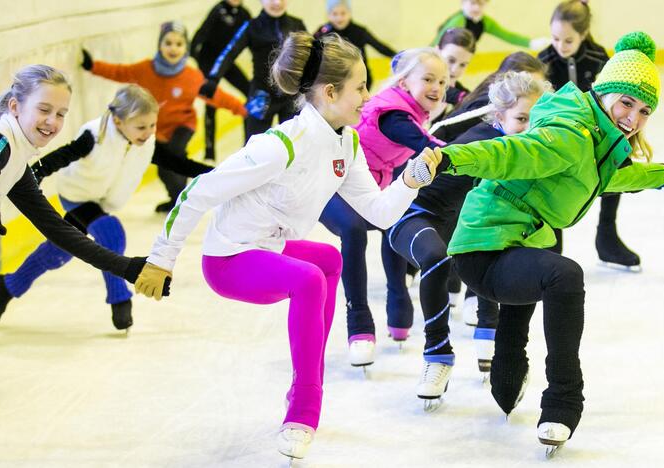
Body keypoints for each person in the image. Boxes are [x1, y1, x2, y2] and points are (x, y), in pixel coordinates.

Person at [133, 32, 440, 460]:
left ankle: (305, 379)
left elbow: (380, 213)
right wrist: (160, 260)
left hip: (272, 250)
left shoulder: (346, 143)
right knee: (310, 278)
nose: (368, 98)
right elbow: (198, 192)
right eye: (360, 87)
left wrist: (411, 180)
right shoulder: (278, 147)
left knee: (328, 259)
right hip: (230, 260)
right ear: (330, 92)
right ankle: (303, 408)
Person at [432, 32, 664, 451]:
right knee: (563, 274)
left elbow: (610, 178)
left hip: (517, 240)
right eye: (626, 103)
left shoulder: (597, 144)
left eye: (643, 110)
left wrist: (660, 175)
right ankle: (564, 399)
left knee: (545, 257)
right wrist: (450, 159)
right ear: (602, 93)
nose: (632, 117)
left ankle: (509, 366)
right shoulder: (571, 134)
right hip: (482, 248)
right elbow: (511, 152)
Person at [0, 65, 152, 468]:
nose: (53, 122)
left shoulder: (17, 158)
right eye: (44, 110)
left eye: (61, 113)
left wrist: (126, 267)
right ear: (16, 106)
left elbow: (60, 231)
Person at [0, 85, 213, 331]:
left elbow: (179, 163)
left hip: (103, 200)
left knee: (58, 252)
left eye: (151, 126)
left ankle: (6, 287)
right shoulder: (96, 136)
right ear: (118, 121)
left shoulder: (146, 143)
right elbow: (65, 154)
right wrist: (38, 172)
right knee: (111, 234)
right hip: (79, 195)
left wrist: (220, 176)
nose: (147, 133)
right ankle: (119, 298)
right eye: (141, 127)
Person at [388, 71, 550, 406]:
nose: (529, 127)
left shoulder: (523, 148)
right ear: (498, 115)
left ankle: (489, 339)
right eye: (521, 118)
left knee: (494, 243)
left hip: (454, 224)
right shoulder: (484, 143)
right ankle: (437, 356)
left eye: (537, 119)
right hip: (409, 215)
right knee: (436, 256)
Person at [318, 47, 448, 367]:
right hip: (331, 187)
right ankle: (359, 322)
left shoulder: (411, 108)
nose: (438, 88)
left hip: (369, 185)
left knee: (394, 220)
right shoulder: (394, 115)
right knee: (353, 230)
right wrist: (483, 154)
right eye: (428, 79)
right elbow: (429, 148)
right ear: (404, 84)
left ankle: (398, 300)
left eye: (443, 82)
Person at [82, 20, 246, 212]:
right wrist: (92, 66)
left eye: (179, 44)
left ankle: (185, 198)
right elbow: (120, 72)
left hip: (183, 126)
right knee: (164, 169)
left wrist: (244, 110)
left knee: (174, 156)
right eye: (168, 43)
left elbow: (217, 97)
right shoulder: (145, 69)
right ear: (160, 45)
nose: (173, 48)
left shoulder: (191, 77)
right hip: (155, 130)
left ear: (186, 48)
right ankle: (177, 198)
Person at [538, 0, 641, 269]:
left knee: (616, 169)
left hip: (598, 135)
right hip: (560, 140)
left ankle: (607, 237)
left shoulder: (600, 59)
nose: (561, 45)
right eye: (555, 38)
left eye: (568, 39)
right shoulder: (545, 61)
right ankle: (551, 243)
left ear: (583, 34)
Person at [203, 0, 307, 141]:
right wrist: (213, 78)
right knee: (254, 145)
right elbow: (230, 52)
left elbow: (311, 55)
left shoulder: (297, 25)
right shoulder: (251, 27)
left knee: (296, 144)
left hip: (291, 94)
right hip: (261, 95)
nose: (277, 2)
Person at [190, 0, 252, 161]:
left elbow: (252, 39)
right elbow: (200, 34)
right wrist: (196, 60)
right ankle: (209, 152)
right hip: (208, 61)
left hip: (227, 62)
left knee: (251, 91)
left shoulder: (245, 15)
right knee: (211, 101)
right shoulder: (218, 10)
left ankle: (249, 144)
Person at [314, 0, 396, 89]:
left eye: (343, 13)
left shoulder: (359, 31)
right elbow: (311, 47)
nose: (339, 18)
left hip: (360, 79)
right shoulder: (323, 31)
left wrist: (397, 56)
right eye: (335, 14)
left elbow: (379, 46)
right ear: (328, 15)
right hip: (334, 80)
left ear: (349, 13)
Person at [434, 0, 548, 50]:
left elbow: (507, 36)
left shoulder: (485, 22)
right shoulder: (458, 21)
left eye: (481, 3)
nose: (476, 8)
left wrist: (530, 43)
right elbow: (439, 40)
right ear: (463, 3)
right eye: (472, 3)